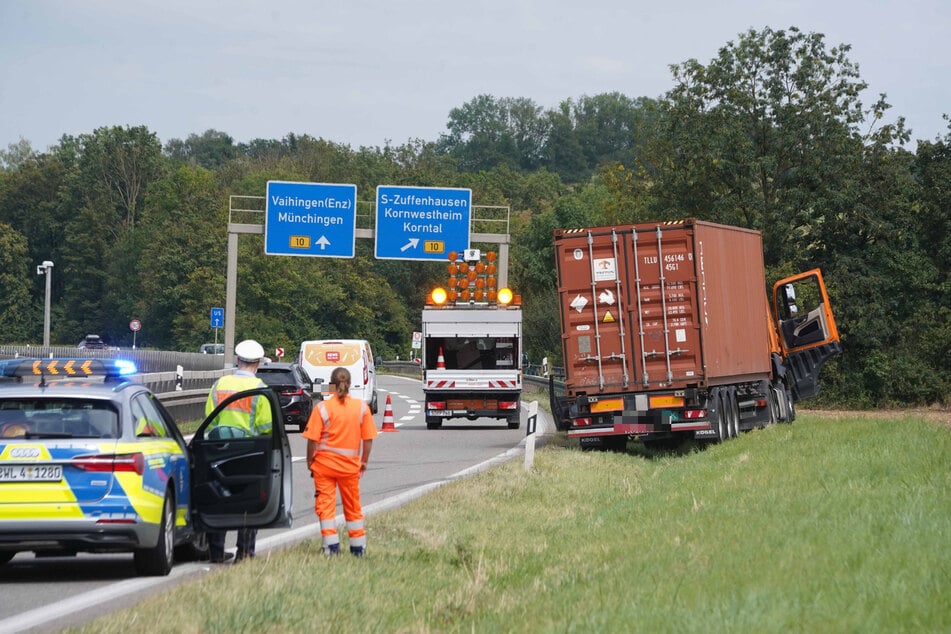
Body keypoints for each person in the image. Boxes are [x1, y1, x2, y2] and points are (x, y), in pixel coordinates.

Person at [203, 339, 272, 563]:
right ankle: (244, 553)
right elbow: (266, 427)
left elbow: (209, 421)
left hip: (219, 451)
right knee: (248, 504)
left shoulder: (219, 385)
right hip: (248, 452)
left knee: (219, 500)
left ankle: (215, 552)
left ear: (238, 360)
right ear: (258, 363)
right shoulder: (260, 389)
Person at [303, 366, 378, 557]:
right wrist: (364, 461)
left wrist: (310, 460)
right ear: (350, 384)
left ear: (331, 385)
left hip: (324, 466)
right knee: (352, 506)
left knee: (326, 506)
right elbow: (367, 439)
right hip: (350, 467)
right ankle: (358, 547)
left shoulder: (322, 408)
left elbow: (312, 439)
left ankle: (331, 547)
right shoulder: (361, 408)